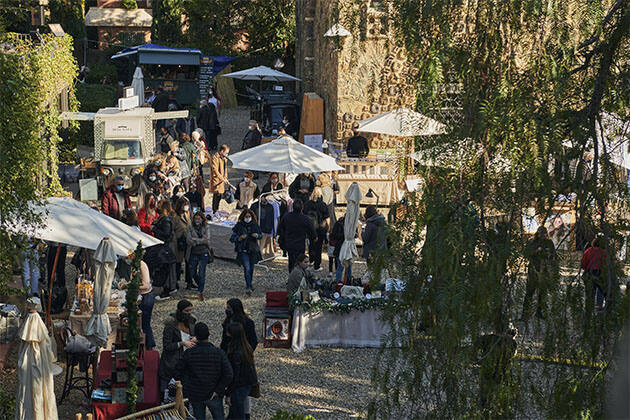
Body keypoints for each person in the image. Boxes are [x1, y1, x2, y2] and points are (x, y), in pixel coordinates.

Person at [176, 322, 233, 420]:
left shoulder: (189, 353)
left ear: (196, 336)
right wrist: (218, 389)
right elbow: (229, 374)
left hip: (196, 394)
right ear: (209, 334)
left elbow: (177, 372)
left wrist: (188, 386)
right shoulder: (218, 353)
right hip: (214, 393)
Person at [158, 300, 196, 397]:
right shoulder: (170, 325)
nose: (189, 313)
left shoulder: (191, 322)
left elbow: (194, 335)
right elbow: (167, 346)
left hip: (187, 362)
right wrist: (181, 343)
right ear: (180, 311)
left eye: (190, 311)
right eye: (187, 311)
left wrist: (196, 338)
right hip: (171, 363)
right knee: (169, 392)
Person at [120, 254, 155, 349]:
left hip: (146, 296)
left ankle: (149, 346)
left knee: (145, 323)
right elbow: (134, 280)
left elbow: (146, 285)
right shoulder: (134, 266)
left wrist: (130, 286)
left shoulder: (142, 265)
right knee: (140, 322)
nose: (126, 259)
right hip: (140, 295)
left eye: (127, 257)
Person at [521, 226, 557, 320]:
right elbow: (526, 254)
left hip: (544, 271)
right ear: (537, 233)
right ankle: (525, 314)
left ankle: (539, 313)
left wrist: (550, 256)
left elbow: (554, 256)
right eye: (541, 233)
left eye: (544, 233)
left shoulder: (549, 243)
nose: (542, 235)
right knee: (529, 293)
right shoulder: (532, 242)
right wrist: (536, 251)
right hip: (533, 270)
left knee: (542, 294)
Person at [225, 322, 258, 420]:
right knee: (237, 410)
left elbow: (235, 374)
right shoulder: (246, 347)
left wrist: (228, 392)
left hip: (239, 385)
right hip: (247, 383)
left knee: (238, 413)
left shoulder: (234, 352)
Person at [277, 199, 316, 272]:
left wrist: (282, 238)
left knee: (291, 261)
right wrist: (313, 238)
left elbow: (280, 229)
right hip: (300, 243)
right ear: (302, 208)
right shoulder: (305, 219)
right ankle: (299, 277)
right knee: (300, 261)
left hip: (289, 242)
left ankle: (292, 277)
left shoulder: (287, 217)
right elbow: (312, 231)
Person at [230, 209, 262, 295]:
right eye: (246, 217)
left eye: (249, 217)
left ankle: (249, 283)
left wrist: (257, 235)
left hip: (252, 250)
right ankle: (248, 286)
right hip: (243, 250)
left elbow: (260, 235)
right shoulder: (239, 226)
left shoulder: (255, 225)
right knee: (247, 268)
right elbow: (232, 238)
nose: (248, 218)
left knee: (251, 269)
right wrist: (240, 238)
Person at [152, 200, 178, 297]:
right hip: (163, 245)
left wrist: (154, 229)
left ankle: (168, 288)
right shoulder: (162, 218)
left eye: (159, 206)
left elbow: (166, 234)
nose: (157, 207)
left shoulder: (166, 220)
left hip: (166, 246)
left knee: (166, 268)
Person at [186, 212, 212, 301]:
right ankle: (199, 283)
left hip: (203, 252)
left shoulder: (206, 227)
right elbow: (189, 240)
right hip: (193, 252)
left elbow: (207, 241)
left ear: (202, 219)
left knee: (202, 272)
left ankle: (200, 291)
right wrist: (201, 240)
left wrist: (195, 240)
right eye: (196, 219)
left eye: (199, 219)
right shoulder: (190, 227)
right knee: (192, 271)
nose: (197, 220)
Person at [304, 188, 329, 271]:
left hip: (310, 228)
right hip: (320, 228)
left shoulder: (307, 204)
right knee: (318, 247)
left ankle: (311, 260)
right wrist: (328, 227)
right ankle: (317, 265)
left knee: (311, 244)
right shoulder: (323, 205)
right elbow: (327, 218)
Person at [581, 237, 608, 312]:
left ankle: (588, 312)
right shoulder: (604, 252)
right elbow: (606, 265)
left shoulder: (588, 251)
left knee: (589, 295)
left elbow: (583, 264)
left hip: (590, 273)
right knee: (604, 292)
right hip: (600, 274)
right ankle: (603, 310)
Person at [173, 197, 192, 288]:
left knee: (189, 262)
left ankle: (189, 282)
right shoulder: (175, 216)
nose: (186, 207)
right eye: (185, 205)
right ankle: (175, 281)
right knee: (178, 263)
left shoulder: (187, 214)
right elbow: (172, 230)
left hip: (187, 242)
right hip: (178, 242)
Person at [210, 144, 231, 212]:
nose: (227, 154)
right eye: (226, 152)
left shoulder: (224, 159)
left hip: (222, 181)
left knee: (219, 196)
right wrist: (222, 178)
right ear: (222, 151)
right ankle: (215, 210)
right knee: (216, 196)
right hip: (217, 180)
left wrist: (225, 177)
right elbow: (215, 170)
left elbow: (225, 169)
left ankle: (216, 209)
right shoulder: (215, 157)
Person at [330, 216, 352, 281]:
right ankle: (344, 282)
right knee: (344, 266)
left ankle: (339, 282)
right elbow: (335, 235)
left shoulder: (339, 223)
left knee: (343, 267)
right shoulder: (342, 225)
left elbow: (334, 235)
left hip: (340, 247)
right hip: (342, 247)